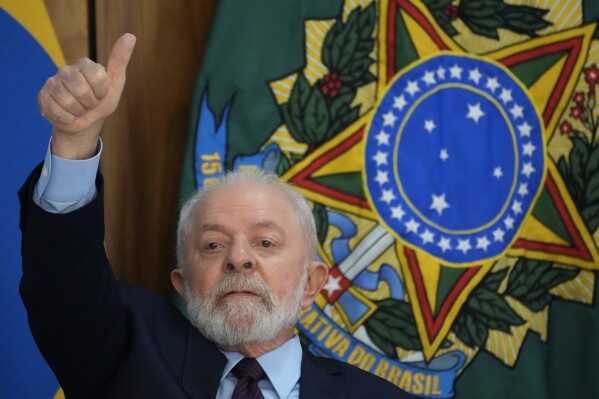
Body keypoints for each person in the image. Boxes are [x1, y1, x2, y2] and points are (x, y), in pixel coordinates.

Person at [19, 33, 415, 398]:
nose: (238, 258)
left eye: (265, 242)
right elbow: (64, 283)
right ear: (184, 284)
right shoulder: (127, 351)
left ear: (310, 283)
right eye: (212, 244)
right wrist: (74, 142)